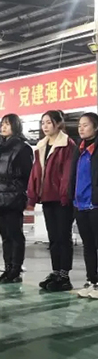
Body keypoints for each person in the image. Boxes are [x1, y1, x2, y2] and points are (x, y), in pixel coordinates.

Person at [28, 110, 76, 292]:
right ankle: (56, 272)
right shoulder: (41, 145)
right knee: (53, 238)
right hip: (47, 197)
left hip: (62, 199)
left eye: (48, 122)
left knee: (63, 237)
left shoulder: (67, 145)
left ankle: (65, 275)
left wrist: (65, 195)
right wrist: (33, 194)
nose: (45, 126)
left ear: (58, 124)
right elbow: (36, 173)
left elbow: (68, 173)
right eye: (43, 123)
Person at [0, 114, 33, 284]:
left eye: (7, 124)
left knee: (15, 234)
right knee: (5, 235)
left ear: (16, 126)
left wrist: (17, 189)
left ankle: (15, 270)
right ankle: (7, 268)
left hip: (14, 197)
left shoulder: (23, 148)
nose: (3, 127)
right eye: (2, 124)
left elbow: (27, 174)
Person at [70, 113, 98, 298]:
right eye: (79, 125)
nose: (81, 128)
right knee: (88, 245)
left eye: (85, 125)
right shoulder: (79, 149)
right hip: (80, 204)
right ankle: (92, 281)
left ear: (96, 127)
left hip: (95, 204)